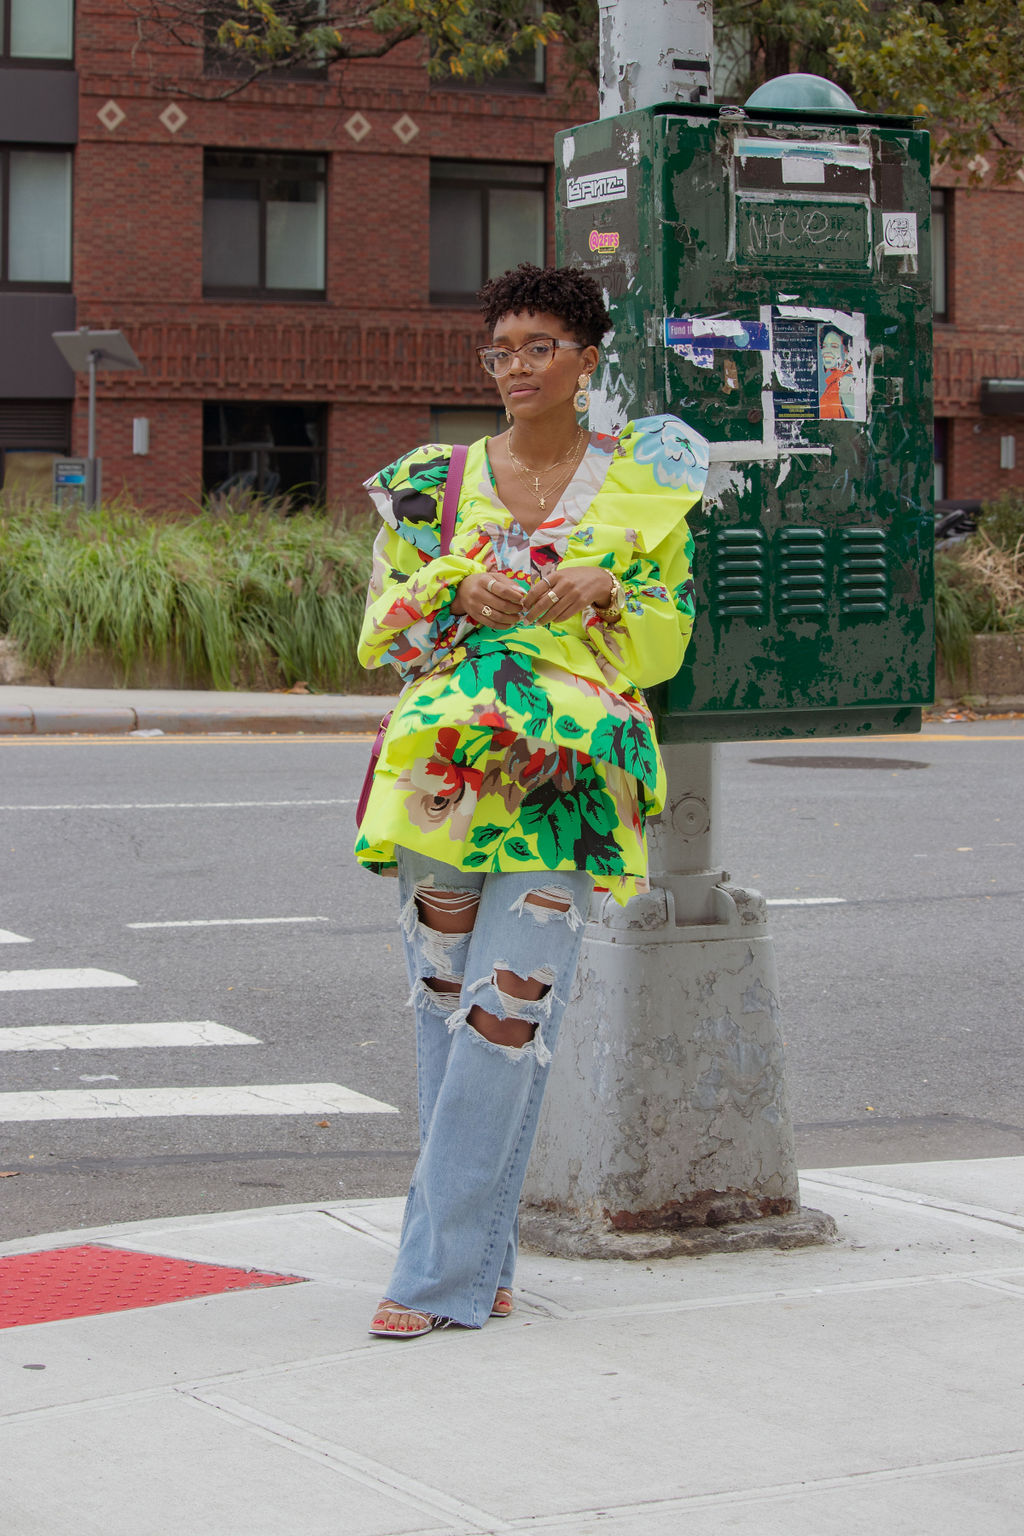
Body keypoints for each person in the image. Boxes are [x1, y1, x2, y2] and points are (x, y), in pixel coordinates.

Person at [354, 262, 708, 1337]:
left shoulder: (645, 480)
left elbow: (664, 636)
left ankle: (427, 1275)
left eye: (538, 347)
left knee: (505, 1017)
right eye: (500, 349)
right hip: (442, 778)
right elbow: (380, 634)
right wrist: (446, 586)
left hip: (568, 786)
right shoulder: (433, 480)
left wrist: (607, 585)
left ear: (586, 359)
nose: (515, 367)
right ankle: (475, 1263)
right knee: (441, 1012)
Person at [818, 324, 856, 419]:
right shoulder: (834, 382)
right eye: (824, 346)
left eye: (834, 346)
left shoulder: (846, 381)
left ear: (846, 351)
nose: (827, 351)